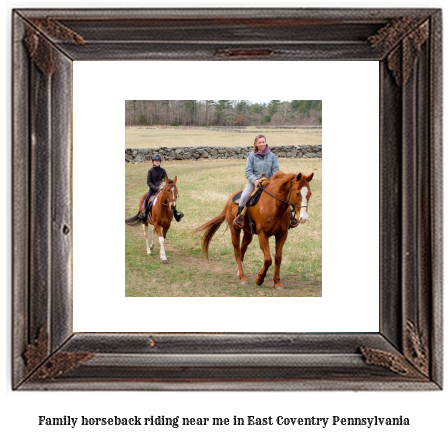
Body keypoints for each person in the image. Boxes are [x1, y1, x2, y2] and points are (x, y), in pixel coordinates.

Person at [233, 134, 279, 228]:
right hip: (254, 183)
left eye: (263, 142)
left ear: (266, 143)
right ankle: (239, 217)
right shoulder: (251, 156)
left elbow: (276, 171)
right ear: (256, 144)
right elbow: (248, 172)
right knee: (244, 196)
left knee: (282, 195)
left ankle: (289, 217)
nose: (262, 144)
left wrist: (273, 180)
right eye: (259, 142)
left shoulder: (272, 156)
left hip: (268, 183)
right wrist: (255, 180)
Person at [138, 154, 184, 222]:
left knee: (171, 199)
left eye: (158, 161)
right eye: (156, 161)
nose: (157, 162)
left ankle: (176, 214)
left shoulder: (163, 170)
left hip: (162, 189)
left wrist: (168, 185)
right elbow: (149, 182)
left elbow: (167, 180)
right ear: (153, 162)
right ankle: (144, 214)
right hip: (152, 190)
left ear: (160, 162)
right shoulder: (150, 171)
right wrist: (155, 187)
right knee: (147, 199)